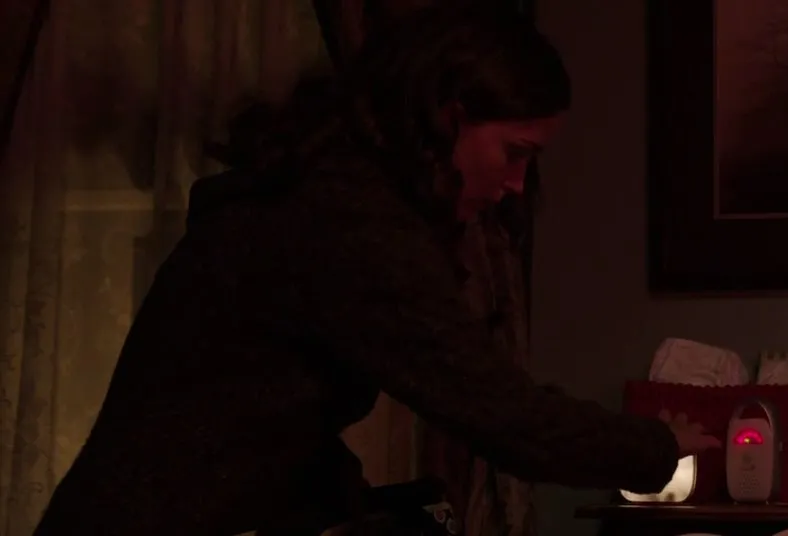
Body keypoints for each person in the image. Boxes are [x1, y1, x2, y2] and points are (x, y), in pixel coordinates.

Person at [34, 5, 720, 535]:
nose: (517, 184)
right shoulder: (348, 219)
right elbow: (503, 413)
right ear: (451, 119)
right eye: (514, 152)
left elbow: (270, 421)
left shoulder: (332, 193)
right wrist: (659, 445)